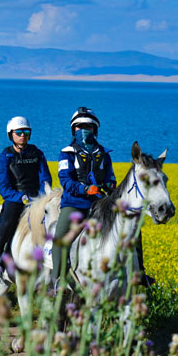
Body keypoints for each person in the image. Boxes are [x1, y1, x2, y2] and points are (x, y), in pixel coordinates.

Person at [52, 107, 116, 286]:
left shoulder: (104, 154)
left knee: (128, 228)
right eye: (79, 127)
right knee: (59, 238)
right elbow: (65, 180)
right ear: (74, 130)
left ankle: (139, 271)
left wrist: (110, 186)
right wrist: (85, 189)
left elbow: (110, 177)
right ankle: (58, 281)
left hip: (99, 204)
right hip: (74, 204)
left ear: (95, 130)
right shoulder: (66, 153)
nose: (84, 130)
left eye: (88, 126)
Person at [0, 116, 52, 280]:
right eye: (19, 132)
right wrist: (20, 197)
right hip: (15, 199)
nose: (23, 135)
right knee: (7, 224)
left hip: (36, 199)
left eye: (26, 132)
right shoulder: (5, 156)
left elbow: (45, 177)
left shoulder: (37, 154)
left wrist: (42, 196)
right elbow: (3, 187)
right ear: (11, 134)